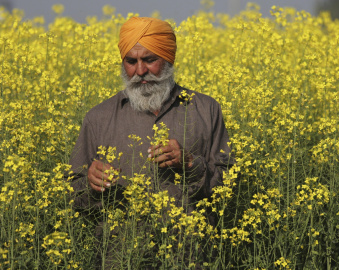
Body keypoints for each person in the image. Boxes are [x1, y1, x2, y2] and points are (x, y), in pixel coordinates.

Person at [68, 17, 233, 268]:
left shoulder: (206, 110)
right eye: (131, 62)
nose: (140, 71)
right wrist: (90, 185)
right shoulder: (98, 118)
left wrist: (190, 164)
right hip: (121, 260)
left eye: (150, 60)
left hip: (189, 259)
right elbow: (71, 197)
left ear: (168, 59)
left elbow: (229, 185)